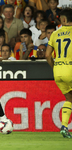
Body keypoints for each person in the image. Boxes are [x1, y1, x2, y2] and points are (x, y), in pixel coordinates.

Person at [46, 8, 72, 138]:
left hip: (58, 70)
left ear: (63, 19)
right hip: (71, 69)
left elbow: (47, 55)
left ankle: (64, 126)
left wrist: (54, 67)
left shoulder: (55, 34)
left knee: (69, 98)